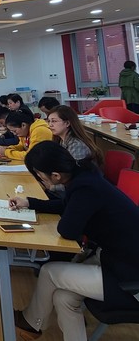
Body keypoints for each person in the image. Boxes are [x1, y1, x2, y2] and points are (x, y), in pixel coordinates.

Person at [9, 142, 139, 341]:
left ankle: (31, 323)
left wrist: (65, 214)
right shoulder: (83, 176)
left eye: (40, 175)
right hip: (116, 258)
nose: (40, 179)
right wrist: (30, 202)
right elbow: (67, 205)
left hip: (129, 274)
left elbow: (67, 230)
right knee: (64, 297)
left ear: (55, 175)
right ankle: (34, 325)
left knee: (49, 272)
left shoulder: (86, 188)